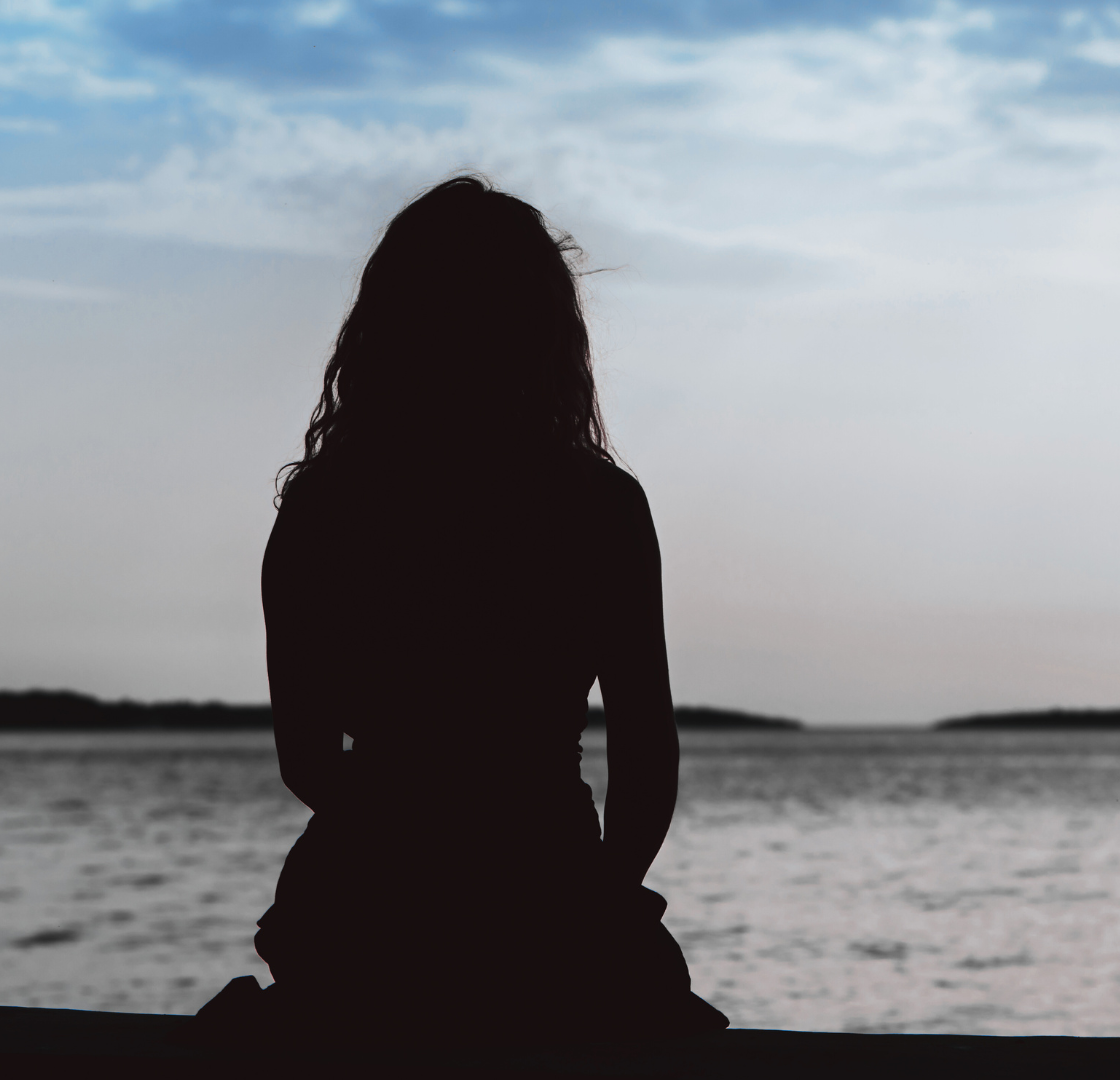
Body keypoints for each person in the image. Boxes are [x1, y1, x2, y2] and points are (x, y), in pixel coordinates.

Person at [185, 175, 728, 1049]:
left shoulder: (325, 509)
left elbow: (306, 760)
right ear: (547, 331)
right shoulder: (599, 506)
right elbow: (646, 756)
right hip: (550, 886)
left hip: (361, 903)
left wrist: (416, 834)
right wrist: (594, 901)